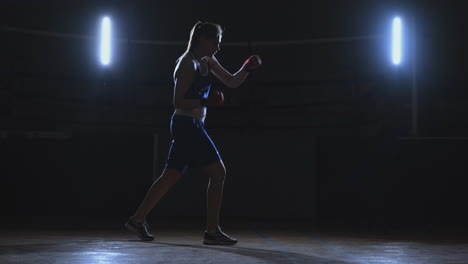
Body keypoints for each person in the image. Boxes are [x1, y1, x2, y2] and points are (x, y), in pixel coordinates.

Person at [125, 21, 262, 245]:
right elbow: (177, 101)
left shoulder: (208, 60)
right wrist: (205, 100)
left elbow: (232, 81)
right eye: (215, 41)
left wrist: (246, 68)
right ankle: (212, 231)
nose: (218, 46)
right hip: (186, 124)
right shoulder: (187, 63)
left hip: (190, 124)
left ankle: (137, 219)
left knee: (170, 177)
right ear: (203, 40)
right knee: (218, 173)